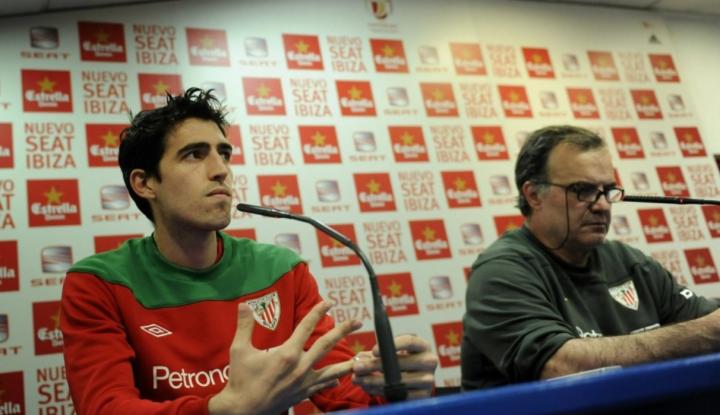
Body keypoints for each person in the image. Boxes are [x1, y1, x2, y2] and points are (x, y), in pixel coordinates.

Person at [60, 88, 437, 414]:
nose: (220, 170)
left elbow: (339, 391)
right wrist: (222, 410)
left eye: (224, 153)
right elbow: (105, 407)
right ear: (145, 183)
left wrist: (396, 389)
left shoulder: (281, 270)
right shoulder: (99, 283)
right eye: (194, 155)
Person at [461, 125, 719, 389]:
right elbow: (560, 367)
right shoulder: (500, 271)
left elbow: (705, 318)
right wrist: (707, 332)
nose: (602, 205)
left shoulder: (630, 262)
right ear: (534, 195)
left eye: (608, 190)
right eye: (582, 190)